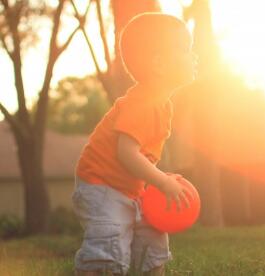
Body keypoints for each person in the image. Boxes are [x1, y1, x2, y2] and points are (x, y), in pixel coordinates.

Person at [71, 12, 198, 276]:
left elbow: (143, 156)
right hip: (102, 184)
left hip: (130, 186)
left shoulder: (162, 105)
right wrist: (162, 181)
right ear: (159, 64)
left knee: (152, 238)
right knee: (110, 245)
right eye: (185, 49)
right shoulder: (141, 103)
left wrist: (155, 178)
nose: (193, 55)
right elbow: (126, 153)